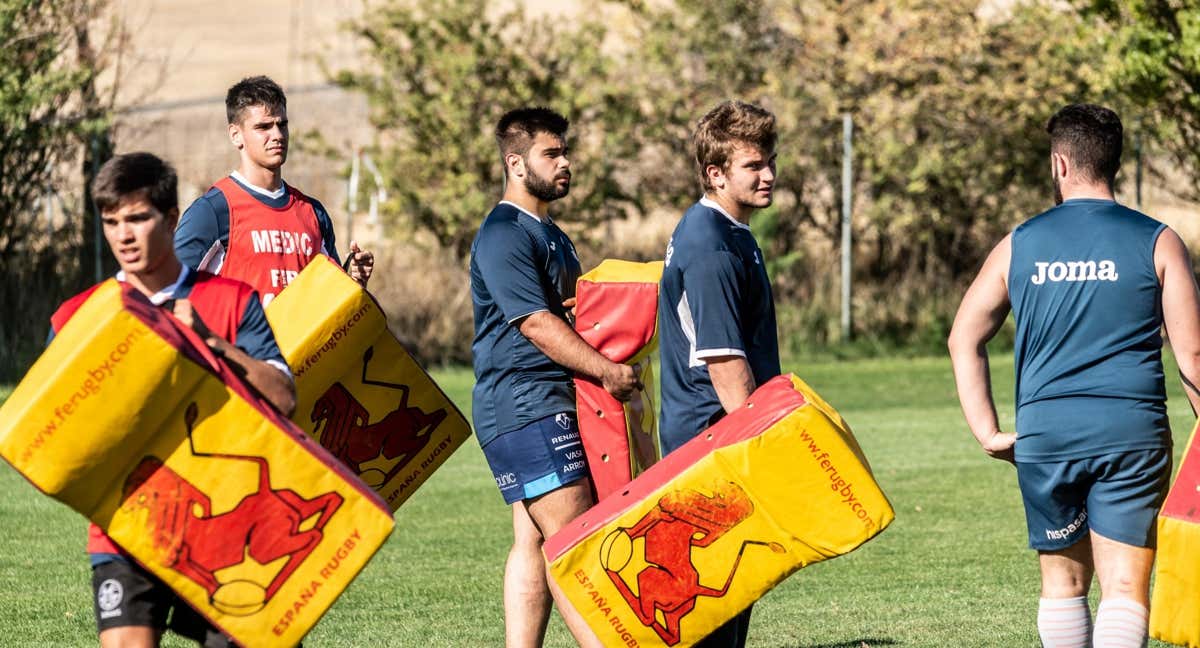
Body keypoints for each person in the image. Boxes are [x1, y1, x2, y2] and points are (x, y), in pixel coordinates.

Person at [948, 104, 1200, 648]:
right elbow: (1194, 356)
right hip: (1130, 434)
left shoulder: (1020, 242)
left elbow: (963, 337)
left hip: (1047, 436)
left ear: (1060, 164)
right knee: (1126, 587)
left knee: (1061, 585)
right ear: (1112, 162)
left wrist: (988, 431)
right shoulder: (1158, 240)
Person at [50, 152, 296, 648]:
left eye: (138, 218)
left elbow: (284, 399)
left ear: (171, 218)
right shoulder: (78, 318)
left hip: (226, 528)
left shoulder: (230, 299)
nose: (123, 235)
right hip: (126, 526)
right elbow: (53, 428)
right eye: (112, 221)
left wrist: (214, 346)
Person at [469, 106, 639, 648]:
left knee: (533, 537)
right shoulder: (503, 234)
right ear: (516, 163)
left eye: (565, 151)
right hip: (525, 404)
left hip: (548, 398)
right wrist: (609, 370)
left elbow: (564, 314)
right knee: (573, 541)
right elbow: (538, 325)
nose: (565, 162)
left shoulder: (553, 234)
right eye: (552, 153)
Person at [656, 100, 781, 647]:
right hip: (713, 440)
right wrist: (764, 445)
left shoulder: (731, 232)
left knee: (732, 591)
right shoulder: (711, 245)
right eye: (753, 165)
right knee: (710, 599)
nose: (769, 174)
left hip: (715, 435)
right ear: (716, 173)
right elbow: (726, 362)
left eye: (769, 160)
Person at [174, 75, 373, 305]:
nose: (277, 135)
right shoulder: (213, 211)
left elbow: (333, 306)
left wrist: (354, 281)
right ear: (235, 135)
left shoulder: (313, 213)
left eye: (282, 124)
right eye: (263, 127)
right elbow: (170, 293)